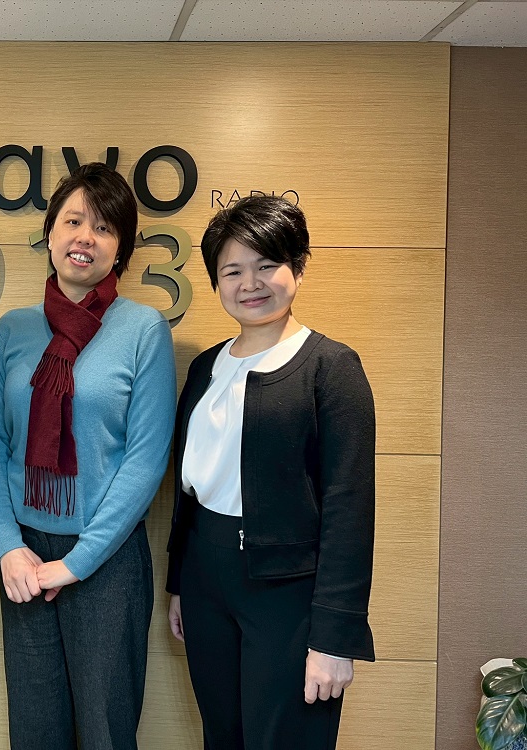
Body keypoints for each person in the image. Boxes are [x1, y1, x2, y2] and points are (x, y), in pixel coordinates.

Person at [165, 195, 376, 749]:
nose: (250, 283)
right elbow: (189, 488)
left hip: (289, 589)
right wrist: (179, 584)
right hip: (206, 579)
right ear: (216, 281)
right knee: (222, 737)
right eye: (232, 270)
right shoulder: (205, 366)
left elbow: (350, 508)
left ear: (297, 268)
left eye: (267, 265)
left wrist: (334, 637)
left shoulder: (331, 367)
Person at [0, 162, 176, 750]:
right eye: (73, 221)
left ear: (121, 249)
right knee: (35, 731)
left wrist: (78, 562)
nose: (85, 237)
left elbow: (145, 459)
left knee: (105, 732)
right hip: (24, 559)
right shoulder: (13, 330)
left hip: (106, 559)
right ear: (50, 234)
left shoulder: (143, 330)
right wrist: (7, 544)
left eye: (104, 227)